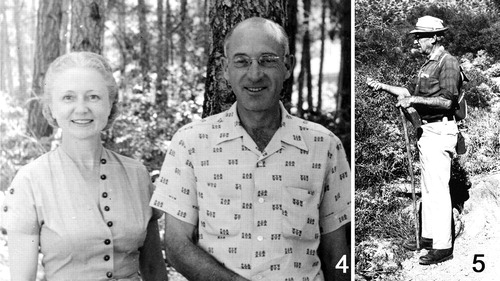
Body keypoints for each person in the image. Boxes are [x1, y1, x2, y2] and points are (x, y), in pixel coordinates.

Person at [150, 17, 351, 281]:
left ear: (287, 66)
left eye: (267, 60)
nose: (255, 73)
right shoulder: (190, 142)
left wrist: (345, 275)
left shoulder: (323, 145)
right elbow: (176, 247)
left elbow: (339, 255)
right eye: (242, 61)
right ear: (225, 69)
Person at [1, 52, 168, 280]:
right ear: (52, 108)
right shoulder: (30, 181)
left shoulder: (137, 174)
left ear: (111, 105)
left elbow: (153, 271)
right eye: (68, 98)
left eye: (93, 97)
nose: (81, 109)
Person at [367, 16, 461, 265]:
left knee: (438, 189)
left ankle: (443, 246)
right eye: (417, 36)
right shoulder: (427, 65)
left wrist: (414, 102)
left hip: (440, 131)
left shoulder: (448, 62)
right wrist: (381, 86)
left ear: (435, 37)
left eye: (420, 37)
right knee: (428, 188)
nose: (417, 41)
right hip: (427, 132)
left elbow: (447, 102)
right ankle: (429, 237)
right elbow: (408, 93)